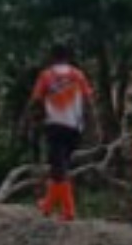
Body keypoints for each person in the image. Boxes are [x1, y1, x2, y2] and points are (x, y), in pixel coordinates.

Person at [29, 45, 97, 222]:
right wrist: (93, 125)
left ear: (52, 57)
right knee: (59, 165)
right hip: (75, 126)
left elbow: (36, 100)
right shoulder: (78, 75)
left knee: (60, 168)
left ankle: (69, 210)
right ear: (68, 57)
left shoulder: (47, 75)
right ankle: (48, 205)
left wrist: (31, 120)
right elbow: (88, 101)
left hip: (55, 125)